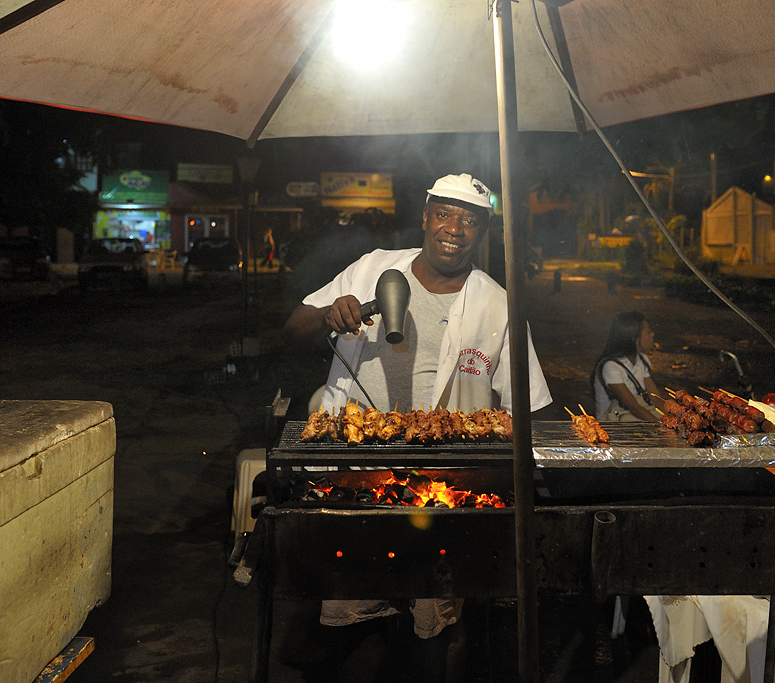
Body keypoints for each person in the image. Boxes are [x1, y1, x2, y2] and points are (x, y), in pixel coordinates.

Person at [284, 172, 552, 681]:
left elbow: (523, 408)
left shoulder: (497, 303)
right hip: (359, 478)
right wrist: (329, 315)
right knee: (349, 618)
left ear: (483, 232)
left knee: (436, 625)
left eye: (470, 219)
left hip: (441, 489)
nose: (455, 227)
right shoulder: (373, 270)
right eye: (445, 213)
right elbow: (293, 327)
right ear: (425, 217)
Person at [590, 311, 663, 422]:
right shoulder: (611, 366)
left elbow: (655, 397)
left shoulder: (641, 360)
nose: (652, 334)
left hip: (639, 417)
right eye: (648, 332)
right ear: (635, 339)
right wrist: (660, 425)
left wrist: (674, 418)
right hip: (613, 424)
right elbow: (633, 407)